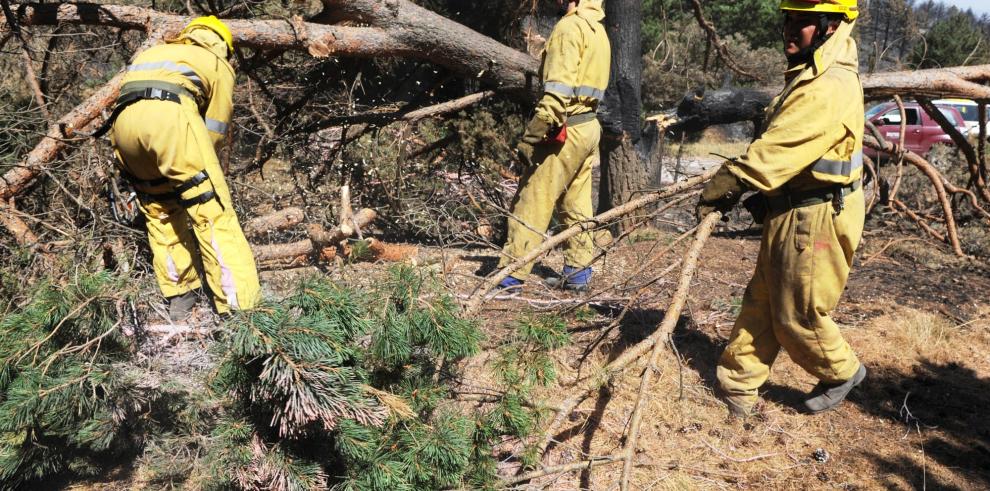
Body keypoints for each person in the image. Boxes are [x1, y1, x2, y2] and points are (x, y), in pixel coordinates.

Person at [695, 0, 865, 416]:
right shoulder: (811, 74)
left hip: (818, 215)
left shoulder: (828, 85)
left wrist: (734, 180)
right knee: (763, 299)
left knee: (799, 315)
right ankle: (737, 385)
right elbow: (799, 153)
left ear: (831, 26)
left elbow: (780, 147)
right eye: (789, 19)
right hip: (795, 208)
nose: (791, 29)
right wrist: (770, 196)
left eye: (804, 21)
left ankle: (842, 370)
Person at [107, 16, 260, 320]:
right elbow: (214, 128)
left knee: (159, 209)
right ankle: (242, 310)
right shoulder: (216, 61)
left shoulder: (155, 53)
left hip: (123, 129)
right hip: (168, 118)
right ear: (223, 45)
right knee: (211, 209)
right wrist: (203, 172)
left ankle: (180, 299)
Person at [496, 0, 610, 293]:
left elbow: (558, 92)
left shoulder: (569, 28)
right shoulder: (598, 31)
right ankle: (578, 273)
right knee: (576, 203)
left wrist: (532, 135)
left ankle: (509, 277)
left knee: (533, 198)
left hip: (566, 128)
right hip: (589, 127)